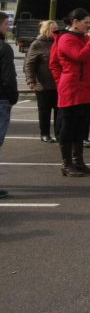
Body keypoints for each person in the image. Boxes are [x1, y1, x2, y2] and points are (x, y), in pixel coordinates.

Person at [55, 8, 90, 176]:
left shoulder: (83, 38)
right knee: (69, 127)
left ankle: (78, 162)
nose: (88, 25)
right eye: (86, 22)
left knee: (82, 127)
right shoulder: (66, 39)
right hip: (72, 88)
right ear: (75, 22)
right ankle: (67, 163)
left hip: (86, 88)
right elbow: (80, 56)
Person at [24, 20, 59, 143]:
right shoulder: (37, 44)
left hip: (58, 83)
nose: (56, 31)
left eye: (56, 28)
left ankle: (59, 134)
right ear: (46, 30)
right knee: (44, 110)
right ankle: (45, 133)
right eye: (53, 29)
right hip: (43, 84)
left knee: (59, 110)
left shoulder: (58, 42)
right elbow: (29, 64)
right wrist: (30, 80)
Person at [0, 11, 18, 199]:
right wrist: (13, 97)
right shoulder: (4, 48)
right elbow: (7, 77)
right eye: (6, 24)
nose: (8, 27)